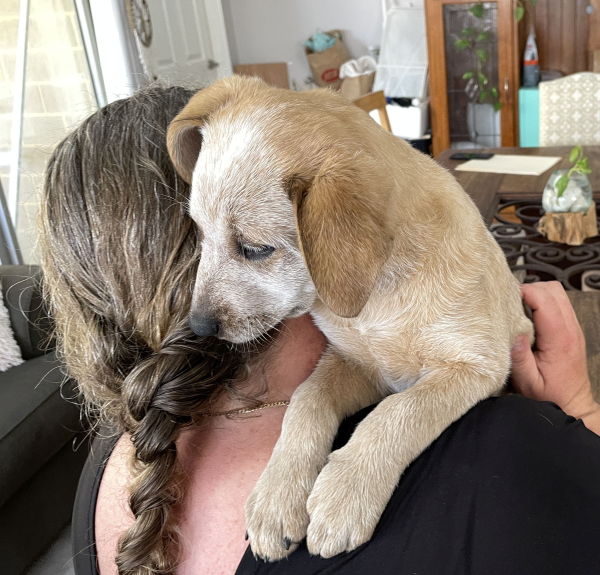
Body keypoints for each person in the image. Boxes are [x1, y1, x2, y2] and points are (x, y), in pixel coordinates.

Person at [39, 86, 600, 575]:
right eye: (202, 234)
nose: (202, 306)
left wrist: (372, 443)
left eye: (254, 248)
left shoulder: (112, 459)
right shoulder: (502, 471)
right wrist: (579, 407)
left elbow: (464, 362)